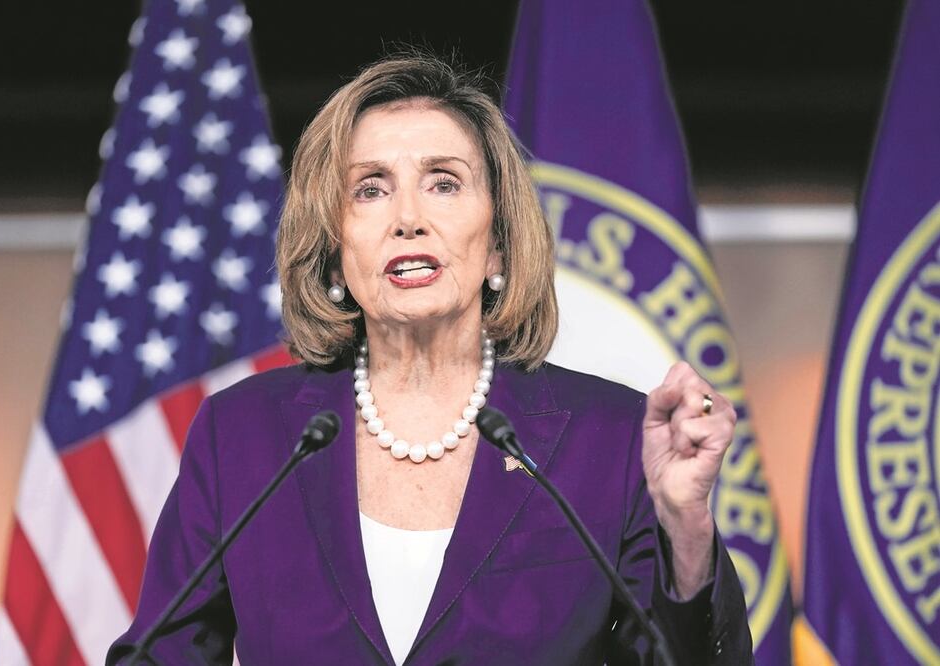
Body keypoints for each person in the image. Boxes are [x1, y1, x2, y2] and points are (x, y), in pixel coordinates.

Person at [109, 52, 751, 665]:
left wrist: (685, 528)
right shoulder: (242, 435)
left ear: (498, 244)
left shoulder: (609, 438)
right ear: (334, 250)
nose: (408, 217)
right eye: (370, 189)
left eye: (444, 183)